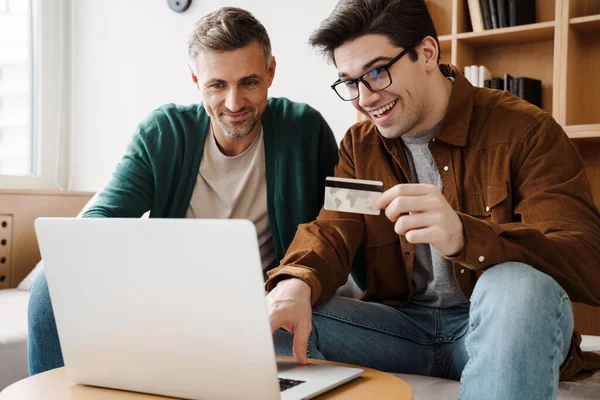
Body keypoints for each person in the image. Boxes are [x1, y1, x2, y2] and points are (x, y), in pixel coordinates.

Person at [266, 0, 600, 399]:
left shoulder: (527, 131)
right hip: (400, 332)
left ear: (426, 53)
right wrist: (295, 282)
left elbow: (586, 261)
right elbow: (332, 231)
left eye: (376, 72)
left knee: (518, 285)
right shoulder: (360, 146)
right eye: (351, 82)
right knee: (278, 316)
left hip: (496, 325)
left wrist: (464, 237)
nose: (364, 98)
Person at [27, 6, 338, 375]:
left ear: (271, 72)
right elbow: (99, 220)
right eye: (217, 85)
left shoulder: (304, 130)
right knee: (49, 282)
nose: (234, 103)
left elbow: (340, 226)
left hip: (258, 308)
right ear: (195, 79)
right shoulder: (164, 133)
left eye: (249, 82)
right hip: (166, 304)